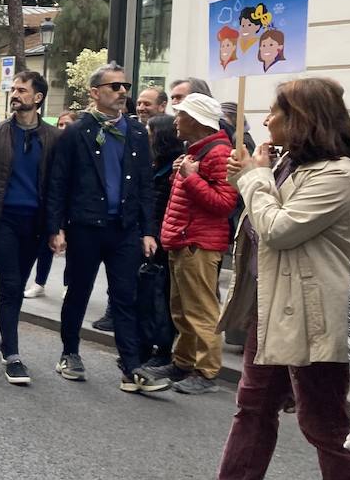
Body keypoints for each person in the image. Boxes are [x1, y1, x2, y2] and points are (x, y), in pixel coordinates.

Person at [182, 78, 350, 480]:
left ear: (303, 117)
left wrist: (252, 180)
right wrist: (255, 177)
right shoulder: (285, 163)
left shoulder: (339, 174)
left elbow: (278, 230)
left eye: (276, 111)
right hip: (272, 308)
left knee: (324, 422)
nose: (267, 119)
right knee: (252, 406)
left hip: (312, 317)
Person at [45, 63, 170, 392]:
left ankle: (131, 368)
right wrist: (56, 227)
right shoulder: (76, 131)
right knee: (79, 291)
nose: (122, 92)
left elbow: (145, 184)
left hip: (125, 228)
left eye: (124, 86)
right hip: (86, 225)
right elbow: (59, 182)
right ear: (95, 92)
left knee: (125, 297)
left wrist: (147, 231)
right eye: (114, 86)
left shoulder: (137, 132)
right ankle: (69, 353)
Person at [0, 71, 62, 386]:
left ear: (38, 97)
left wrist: (55, 228)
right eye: (13, 89)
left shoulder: (52, 137)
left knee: (18, 285)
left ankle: (7, 339)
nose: (15, 93)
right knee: (9, 283)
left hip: (34, 224)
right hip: (1, 220)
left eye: (22, 90)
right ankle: (13, 356)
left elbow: (56, 186)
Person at [157, 93, 237, 395]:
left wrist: (189, 177)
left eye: (182, 115)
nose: (176, 120)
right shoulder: (198, 151)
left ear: (196, 120)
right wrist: (181, 175)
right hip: (185, 240)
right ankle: (183, 362)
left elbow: (223, 203)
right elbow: (189, 198)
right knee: (182, 309)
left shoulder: (217, 153)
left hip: (198, 244)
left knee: (200, 311)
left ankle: (206, 371)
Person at [139, 114, 184, 368]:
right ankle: (151, 345)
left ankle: (164, 349)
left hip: (162, 239)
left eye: (150, 132)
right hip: (154, 236)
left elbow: (162, 205)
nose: (146, 136)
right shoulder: (157, 164)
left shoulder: (172, 167)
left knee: (163, 298)